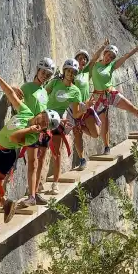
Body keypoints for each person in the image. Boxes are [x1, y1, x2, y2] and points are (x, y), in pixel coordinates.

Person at [0, 67, 60, 238]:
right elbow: (10, 94)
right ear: (41, 112)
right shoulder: (26, 112)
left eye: (45, 124)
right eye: (43, 118)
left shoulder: (32, 136)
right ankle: (4, 201)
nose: (42, 122)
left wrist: (30, 129)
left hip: (4, 155)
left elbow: (14, 138)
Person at [89, 39, 138, 154]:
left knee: (131, 108)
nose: (109, 58)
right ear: (105, 53)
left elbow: (125, 57)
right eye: (108, 55)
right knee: (105, 122)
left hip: (111, 93)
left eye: (112, 57)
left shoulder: (111, 66)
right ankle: (107, 147)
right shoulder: (95, 64)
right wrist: (103, 46)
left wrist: (136, 49)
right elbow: (95, 57)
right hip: (99, 97)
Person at [14, 57, 55, 207]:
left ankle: (35, 192)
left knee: (39, 162)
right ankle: (31, 195)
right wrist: (13, 88)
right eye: (43, 72)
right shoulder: (27, 87)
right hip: (31, 129)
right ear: (37, 70)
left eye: (48, 75)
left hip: (42, 131)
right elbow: (16, 101)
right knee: (33, 162)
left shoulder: (44, 92)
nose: (45, 76)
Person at [43, 58, 85, 195]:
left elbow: (76, 113)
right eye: (68, 71)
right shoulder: (55, 82)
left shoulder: (75, 91)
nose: (70, 74)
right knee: (40, 153)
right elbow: (43, 95)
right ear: (64, 70)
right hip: (45, 117)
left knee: (57, 153)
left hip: (58, 121)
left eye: (73, 72)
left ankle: (55, 183)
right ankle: (37, 184)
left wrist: (85, 109)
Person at [71, 48, 101, 170]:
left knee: (96, 134)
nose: (82, 60)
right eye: (80, 58)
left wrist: (103, 47)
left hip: (87, 106)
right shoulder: (71, 73)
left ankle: (81, 127)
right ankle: (82, 159)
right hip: (75, 107)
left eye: (84, 59)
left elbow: (94, 59)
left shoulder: (87, 72)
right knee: (77, 135)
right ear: (76, 60)